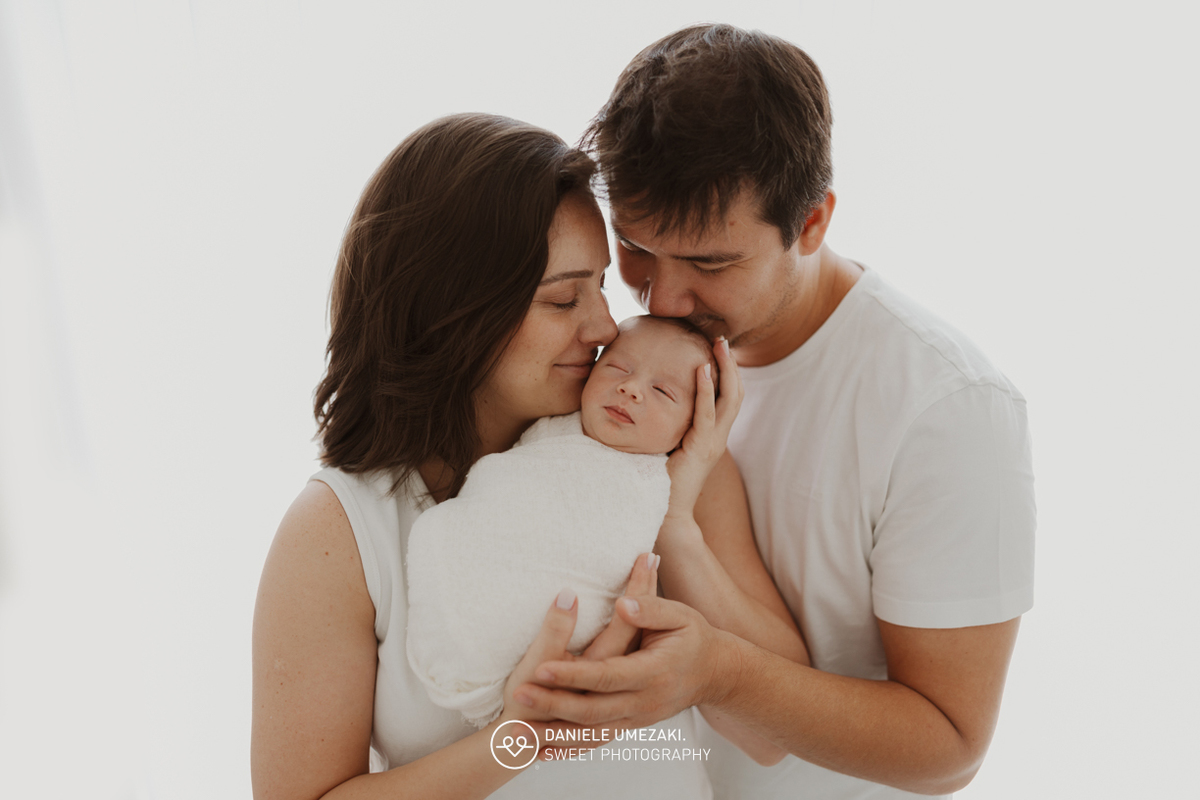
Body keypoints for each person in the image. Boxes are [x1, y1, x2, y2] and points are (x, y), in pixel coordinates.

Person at [511, 24, 1037, 799]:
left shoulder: (945, 408)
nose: (661, 298)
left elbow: (949, 747)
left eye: (712, 263)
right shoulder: (609, 358)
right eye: (636, 248)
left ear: (813, 223)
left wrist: (720, 673)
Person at [251, 112, 807, 800]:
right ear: (454, 315)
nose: (606, 326)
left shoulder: (656, 447)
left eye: (602, 286)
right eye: (563, 298)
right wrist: (522, 739)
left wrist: (677, 516)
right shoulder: (338, 531)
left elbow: (776, 735)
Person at [407, 316, 738, 730]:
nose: (631, 388)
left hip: (563, 654)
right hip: (475, 594)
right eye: (617, 368)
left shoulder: (660, 483)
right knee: (438, 531)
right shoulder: (546, 427)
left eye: (662, 391)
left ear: (694, 424)